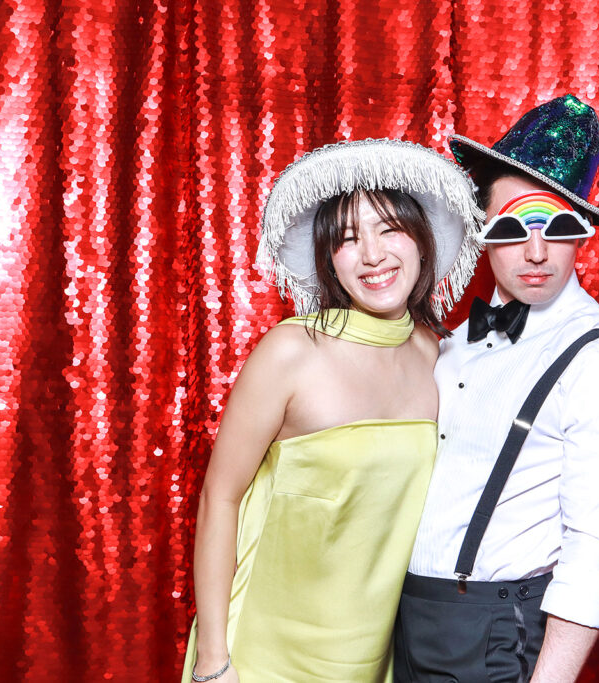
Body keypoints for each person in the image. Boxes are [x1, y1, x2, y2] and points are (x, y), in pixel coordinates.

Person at [182, 139, 481, 683]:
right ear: (328, 259)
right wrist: (213, 660)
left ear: (422, 240)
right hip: (263, 651)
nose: (372, 254)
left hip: (376, 656)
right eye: (347, 238)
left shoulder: (441, 357)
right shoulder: (292, 351)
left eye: (389, 228)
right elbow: (219, 498)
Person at [394, 95, 599, 682]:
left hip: (498, 636)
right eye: (513, 227)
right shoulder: (450, 346)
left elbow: (597, 555)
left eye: (557, 226)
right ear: (482, 231)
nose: (536, 252)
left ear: (582, 234)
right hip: (402, 624)